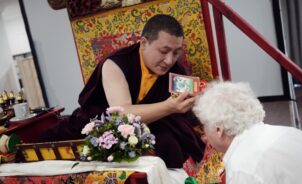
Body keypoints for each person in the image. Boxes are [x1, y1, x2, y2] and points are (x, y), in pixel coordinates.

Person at [41, 14, 205, 168]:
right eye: (163, 51)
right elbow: (122, 114)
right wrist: (170, 106)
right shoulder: (115, 64)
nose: (169, 60)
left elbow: (185, 113)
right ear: (143, 43)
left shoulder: (177, 71)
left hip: (153, 123)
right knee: (49, 140)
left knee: (172, 142)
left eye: (176, 53)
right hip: (105, 121)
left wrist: (199, 99)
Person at [189, 81, 302, 184]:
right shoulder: (295, 134)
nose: (204, 135)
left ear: (219, 129)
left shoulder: (243, 165)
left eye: (204, 126)